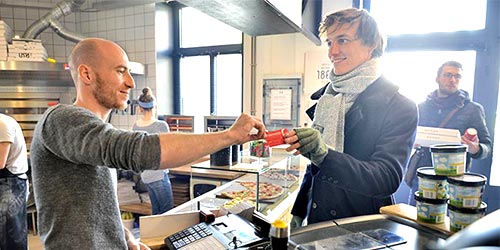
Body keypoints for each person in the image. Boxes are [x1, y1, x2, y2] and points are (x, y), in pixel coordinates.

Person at [29, 38, 266, 250]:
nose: (131, 82)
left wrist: (126, 238)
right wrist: (230, 136)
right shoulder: (62, 119)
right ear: (87, 74)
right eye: (121, 71)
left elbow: (95, 211)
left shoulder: (96, 133)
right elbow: (140, 151)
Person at [283, 8, 418, 227]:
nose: (332, 51)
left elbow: (387, 178)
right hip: (317, 222)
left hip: (363, 227)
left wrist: (325, 155)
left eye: (343, 40)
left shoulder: (400, 106)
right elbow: (314, 169)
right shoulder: (328, 97)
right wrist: (299, 211)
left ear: (371, 44)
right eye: (329, 42)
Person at [405, 60, 492, 205]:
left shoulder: (472, 109)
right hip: (422, 177)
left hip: (454, 181)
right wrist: (411, 142)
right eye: (448, 75)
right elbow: (407, 138)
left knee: (446, 225)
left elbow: (487, 147)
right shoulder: (421, 107)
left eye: (457, 76)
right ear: (437, 78)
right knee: (414, 221)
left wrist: (475, 148)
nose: (452, 80)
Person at [132, 87, 173, 214]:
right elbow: (170, 150)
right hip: (159, 175)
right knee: (167, 214)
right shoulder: (161, 125)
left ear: (140, 108)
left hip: (146, 176)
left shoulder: (136, 126)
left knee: (156, 212)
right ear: (155, 106)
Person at [0, 113, 29, 250]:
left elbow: (0, 162)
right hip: (6, 181)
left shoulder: (2, 124)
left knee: (10, 235)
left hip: (11, 184)